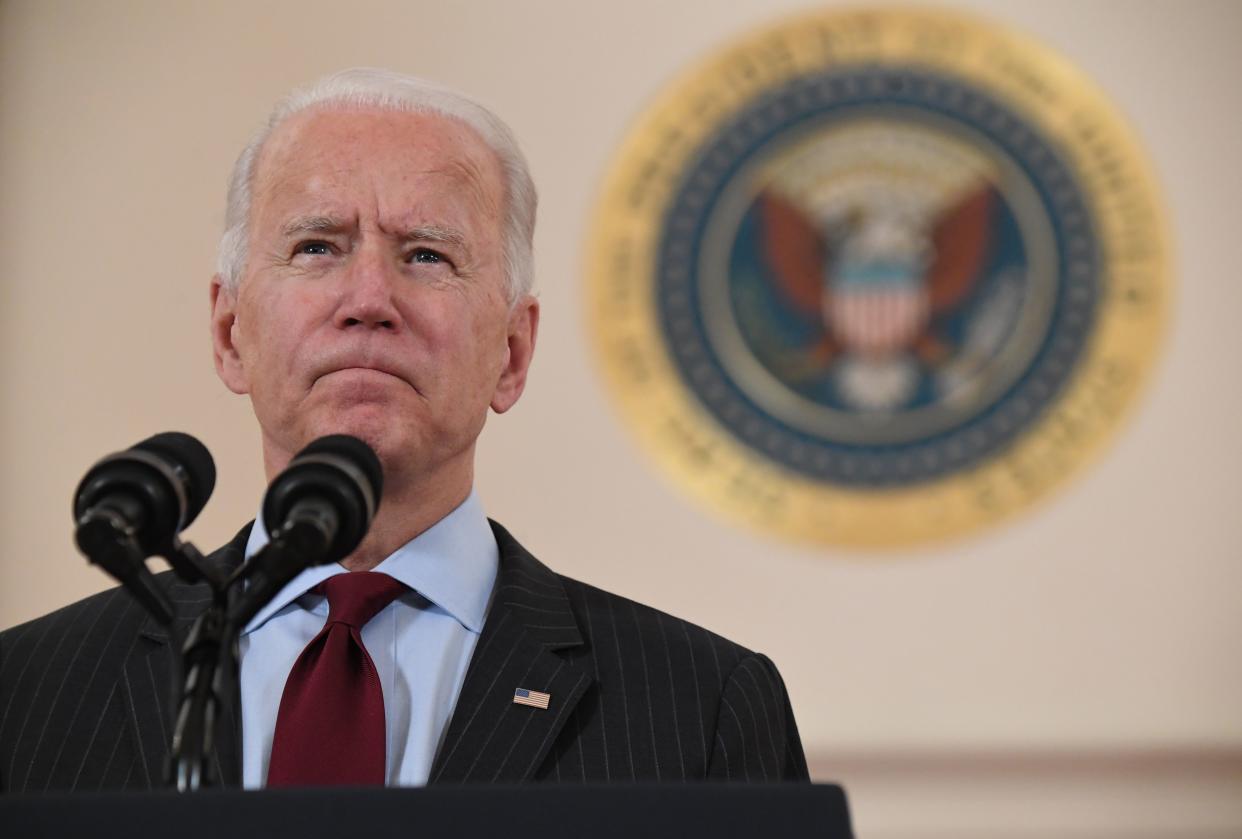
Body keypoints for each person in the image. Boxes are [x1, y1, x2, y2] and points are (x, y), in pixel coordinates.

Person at [0, 68, 808, 792]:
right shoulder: (26, 691)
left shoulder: (702, 706)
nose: (368, 298)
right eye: (317, 246)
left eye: (426, 255)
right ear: (227, 331)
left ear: (513, 354)